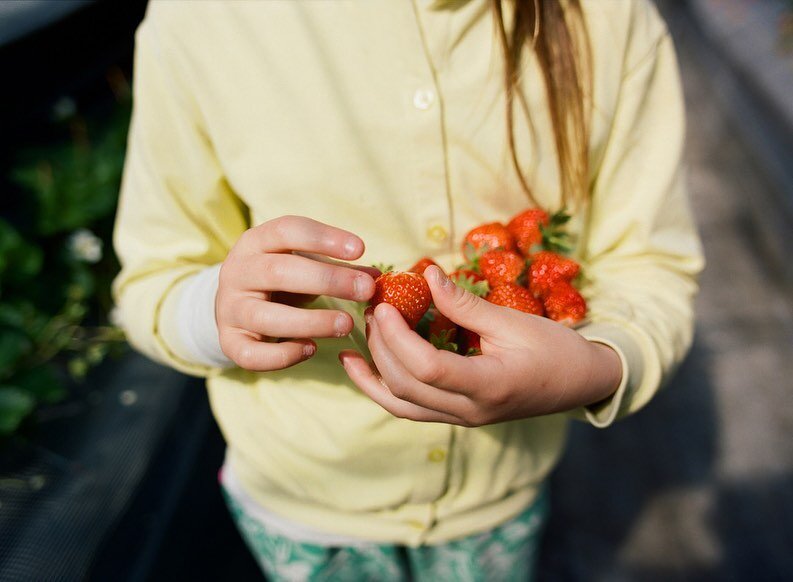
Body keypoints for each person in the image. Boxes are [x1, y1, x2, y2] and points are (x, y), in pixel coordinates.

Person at [112, 0, 703, 579]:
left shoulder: (609, 17)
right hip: (303, 503)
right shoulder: (201, 19)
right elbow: (151, 279)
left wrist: (599, 369)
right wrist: (217, 309)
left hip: (502, 493)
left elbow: (649, 262)